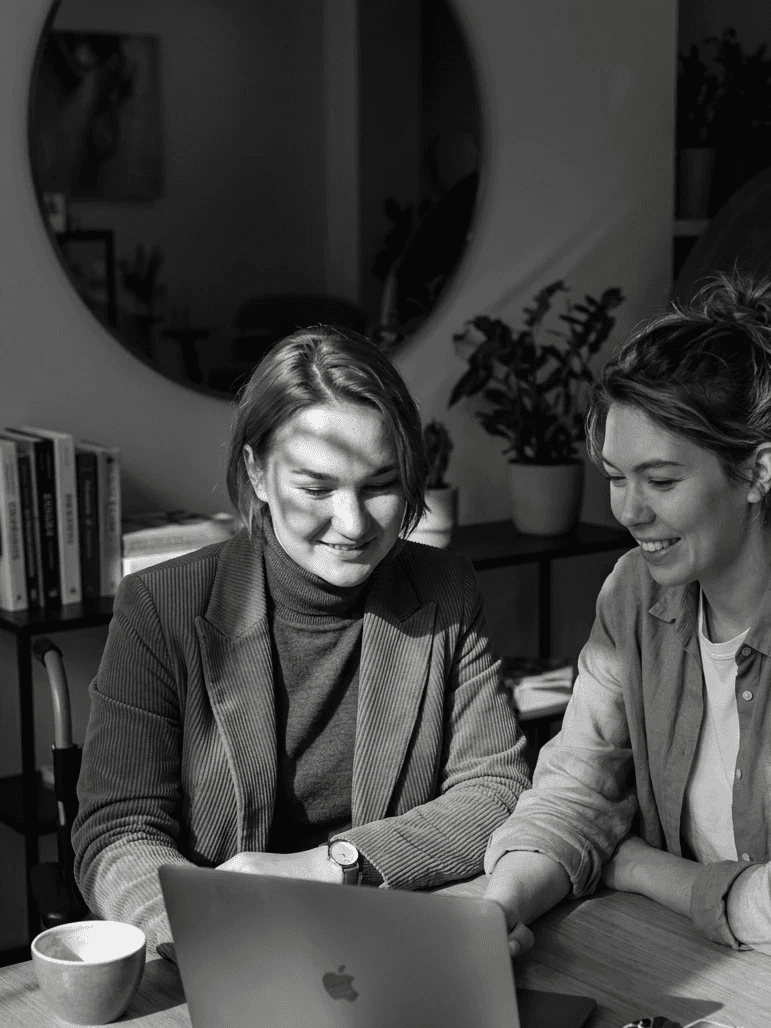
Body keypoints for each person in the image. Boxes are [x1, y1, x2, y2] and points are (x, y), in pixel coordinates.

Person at [482, 273, 771, 1002]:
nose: (628, 509)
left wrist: (635, 866)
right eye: (615, 477)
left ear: (756, 472)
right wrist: (494, 911)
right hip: (688, 957)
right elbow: (573, 790)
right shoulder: (632, 592)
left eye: (660, 480)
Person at [73, 325, 529, 951]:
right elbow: (117, 832)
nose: (352, 523)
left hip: (389, 936)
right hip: (228, 947)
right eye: (316, 488)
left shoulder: (444, 587)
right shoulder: (161, 606)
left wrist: (333, 865)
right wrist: (201, 936)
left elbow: (497, 792)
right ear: (257, 474)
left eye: (380, 485)